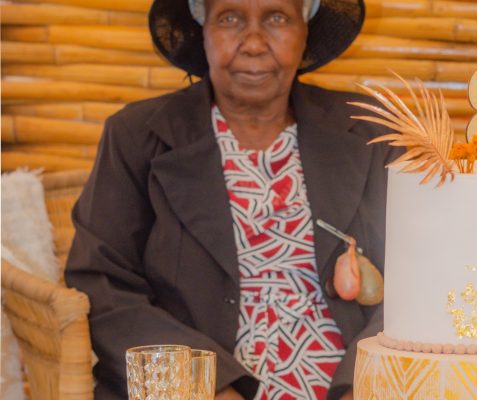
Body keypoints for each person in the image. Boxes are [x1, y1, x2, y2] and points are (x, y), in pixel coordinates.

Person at [65, 0, 396, 398]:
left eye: (277, 18)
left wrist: (365, 385)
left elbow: (421, 277)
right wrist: (206, 387)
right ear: (202, 30)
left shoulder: (371, 131)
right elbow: (103, 284)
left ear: (305, 30)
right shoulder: (137, 137)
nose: (254, 43)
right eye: (229, 18)